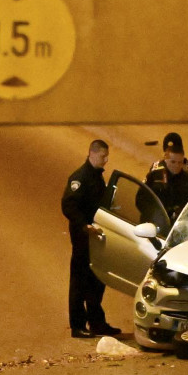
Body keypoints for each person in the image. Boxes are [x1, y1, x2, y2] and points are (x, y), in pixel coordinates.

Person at [62, 140, 121, 339]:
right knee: (79, 282)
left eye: (107, 156)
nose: (106, 160)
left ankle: (97, 322)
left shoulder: (96, 177)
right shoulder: (80, 177)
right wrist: (84, 226)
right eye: (103, 156)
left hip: (96, 239)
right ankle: (77, 325)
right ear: (92, 154)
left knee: (97, 281)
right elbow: (68, 205)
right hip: (83, 239)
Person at [141, 143, 188, 224]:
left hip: (178, 223)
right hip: (153, 222)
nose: (177, 165)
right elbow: (141, 200)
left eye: (180, 162)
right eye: (173, 162)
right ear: (165, 160)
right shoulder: (154, 176)